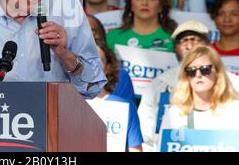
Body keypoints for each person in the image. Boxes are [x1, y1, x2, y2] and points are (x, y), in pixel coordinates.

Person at [138, 20, 239, 151]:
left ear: (208, 45)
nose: (189, 45)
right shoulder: (159, 85)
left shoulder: (234, 84)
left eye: (195, 39)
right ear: (175, 47)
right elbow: (146, 135)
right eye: (183, 41)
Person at [159, 46, 239, 142]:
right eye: (191, 70)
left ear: (217, 72)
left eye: (205, 69)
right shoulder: (174, 113)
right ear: (186, 76)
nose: (198, 75)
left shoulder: (234, 110)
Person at [91, 40, 143, 152]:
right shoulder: (67, 105)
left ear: (108, 68)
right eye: (86, 59)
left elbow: (135, 149)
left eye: (97, 60)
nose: (92, 65)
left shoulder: (125, 107)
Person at [107, 0, 176, 52]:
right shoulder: (112, 37)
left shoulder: (174, 37)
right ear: (130, 4)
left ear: (161, 5)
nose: (144, 3)